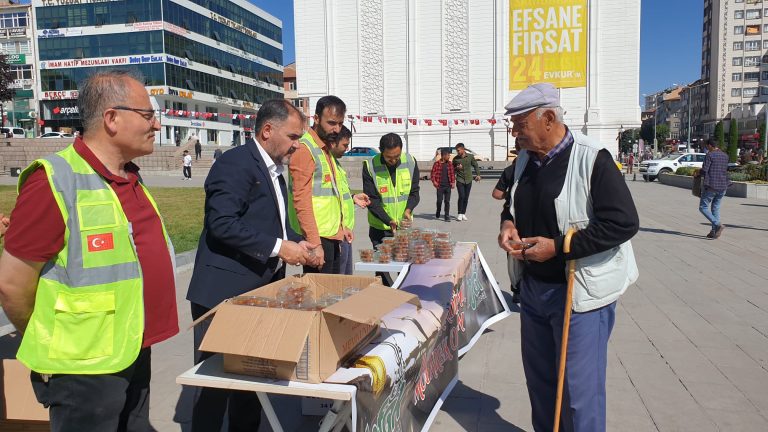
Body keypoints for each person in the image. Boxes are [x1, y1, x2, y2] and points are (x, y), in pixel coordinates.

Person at [0, 70, 178, 431]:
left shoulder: (129, 176)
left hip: (132, 348)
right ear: (112, 118)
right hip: (84, 367)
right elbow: (12, 284)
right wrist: (44, 339)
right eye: (147, 115)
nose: (156, 125)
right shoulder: (54, 180)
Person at [497, 83, 639, 432]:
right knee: (541, 383)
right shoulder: (525, 161)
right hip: (533, 289)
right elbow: (509, 203)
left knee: (578, 392)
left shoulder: (593, 158)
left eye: (520, 125)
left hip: (579, 295)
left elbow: (623, 223)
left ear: (548, 118)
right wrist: (508, 224)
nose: (515, 133)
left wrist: (559, 247)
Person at [186, 99, 317, 432]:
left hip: (257, 294)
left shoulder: (274, 169)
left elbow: (268, 222)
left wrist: (295, 241)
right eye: (293, 137)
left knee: (251, 381)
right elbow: (222, 223)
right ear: (267, 130)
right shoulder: (235, 164)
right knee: (214, 387)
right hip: (223, 294)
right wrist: (279, 247)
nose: (297, 145)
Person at [288, 96, 366, 274]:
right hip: (318, 238)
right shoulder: (304, 149)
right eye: (331, 123)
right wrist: (314, 243)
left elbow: (334, 195)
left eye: (340, 123)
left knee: (334, 288)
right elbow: (301, 200)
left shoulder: (324, 149)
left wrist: (342, 227)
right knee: (321, 290)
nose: (336, 129)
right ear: (316, 118)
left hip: (332, 235)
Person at [327, 126, 370, 275]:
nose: (347, 149)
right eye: (345, 145)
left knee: (346, 278)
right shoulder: (326, 165)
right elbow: (325, 202)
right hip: (336, 233)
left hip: (344, 232)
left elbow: (336, 195)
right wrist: (339, 230)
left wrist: (352, 198)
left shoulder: (335, 164)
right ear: (333, 143)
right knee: (338, 280)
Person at [696, 139, 729, 239]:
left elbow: (705, 170)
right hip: (723, 186)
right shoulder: (725, 155)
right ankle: (714, 231)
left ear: (710, 145)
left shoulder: (710, 155)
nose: (706, 148)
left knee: (703, 207)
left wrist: (697, 172)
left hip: (711, 185)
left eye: (706, 146)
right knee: (715, 208)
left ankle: (717, 224)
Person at [452, 142, 481, 221]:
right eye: (456, 150)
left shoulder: (470, 157)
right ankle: (459, 213)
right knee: (461, 196)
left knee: (466, 197)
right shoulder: (455, 159)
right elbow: (452, 169)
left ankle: (463, 213)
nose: (457, 152)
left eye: (458, 150)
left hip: (468, 180)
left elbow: (475, 165)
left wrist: (478, 175)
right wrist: (457, 168)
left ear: (463, 149)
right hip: (460, 180)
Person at [431, 148, 455, 222]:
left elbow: (452, 174)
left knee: (447, 201)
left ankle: (446, 215)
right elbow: (432, 174)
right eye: (448, 155)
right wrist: (434, 181)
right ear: (444, 156)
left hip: (448, 186)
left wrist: (453, 182)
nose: (449, 157)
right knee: (439, 201)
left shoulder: (450, 163)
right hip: (440, 186)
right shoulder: (436, 164)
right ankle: (438, 210)